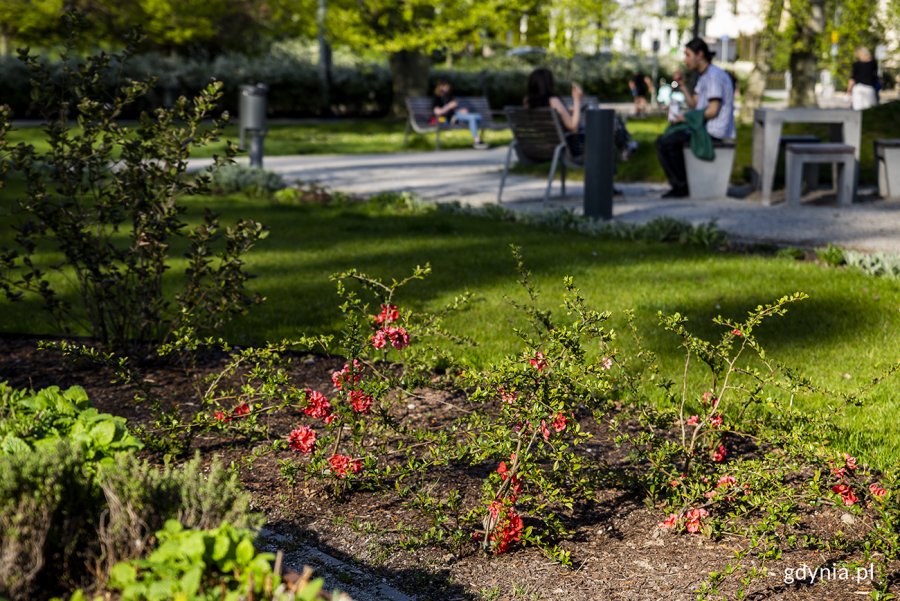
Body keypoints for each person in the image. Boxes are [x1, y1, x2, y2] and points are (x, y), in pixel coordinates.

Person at [655, 38, 736, 198]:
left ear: (700, 55)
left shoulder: (714, 77)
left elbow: (712, 111)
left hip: (714, 132)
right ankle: (682, 184)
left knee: (666, 143)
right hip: (705, 127)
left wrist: (685, 120)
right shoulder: (705, 76)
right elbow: (694, 104)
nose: (685, 60)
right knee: (666, 138)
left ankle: (682, 186)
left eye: (687, 55)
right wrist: (682, 85)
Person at [525, 67, 639, 160]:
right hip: (572, 146)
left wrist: (573, 109)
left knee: (609, 123)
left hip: (545, 145)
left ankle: (625, 146)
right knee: (610, 122)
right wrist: (577, 100)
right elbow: (573, 127)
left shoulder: (528, 102)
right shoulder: (553, 100)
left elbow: (558, 113)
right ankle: (625, 147)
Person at [432, 80, 488, 149]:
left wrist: (460, 110)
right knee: (473, 118)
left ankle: (477, 140)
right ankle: (477, 141)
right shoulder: (437, 98)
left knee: (477, 116)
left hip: (455, 114)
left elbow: (454, 106)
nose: (447, 88)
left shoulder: (449, 96)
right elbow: (437, 112)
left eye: (447, 86)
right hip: (447, 117)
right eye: (445, 86)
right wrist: (448, 107)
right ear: (440, 87)